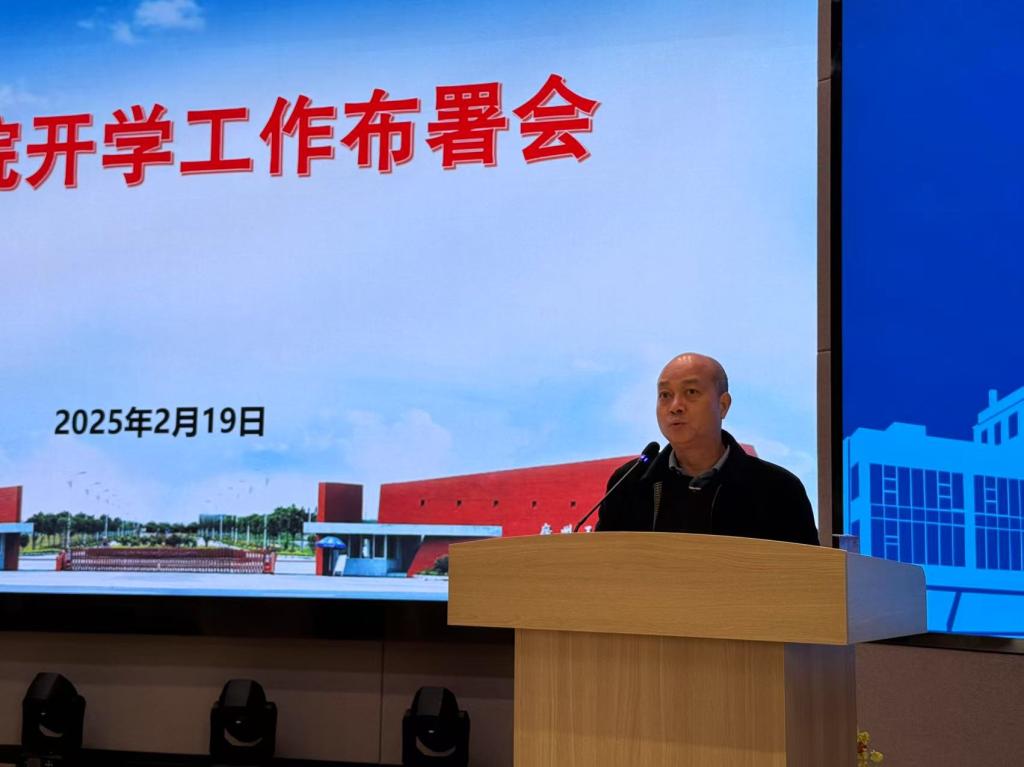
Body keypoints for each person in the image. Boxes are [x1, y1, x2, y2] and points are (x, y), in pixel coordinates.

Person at [595, 353, 819, 545]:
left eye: (691, 392)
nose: (675, 407)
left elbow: (806, 575)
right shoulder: (630, 483)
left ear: (723, 405)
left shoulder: (778, 489)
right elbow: (602, 567)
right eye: (665, 395)